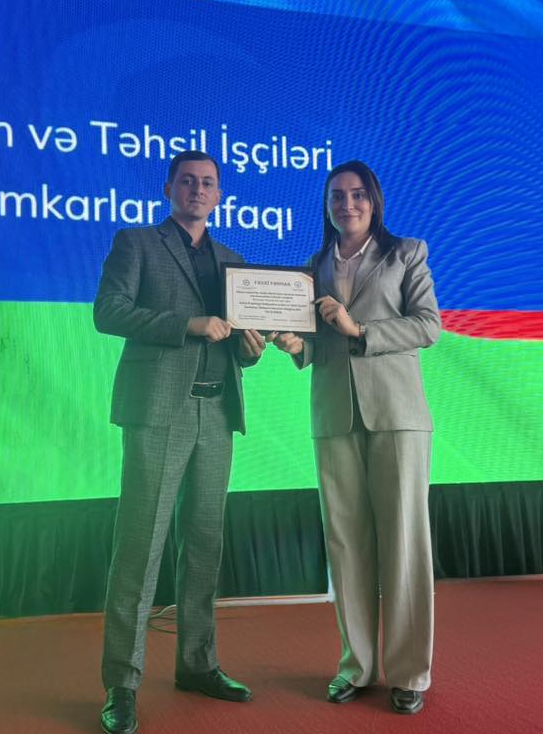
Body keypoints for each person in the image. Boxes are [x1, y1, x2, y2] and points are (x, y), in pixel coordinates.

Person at [94, 150, 266, 734]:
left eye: (208, 183)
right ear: (168, 188)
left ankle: (197, 663)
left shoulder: (233, 262)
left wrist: (250, 348)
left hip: (217, 412)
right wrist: (186, 325)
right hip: (158, 411)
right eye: (187, 181)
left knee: (205, 544)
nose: (197, 189)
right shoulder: (137, 244)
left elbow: (240, 343)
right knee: (140, 545)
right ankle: (122, 683)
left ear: (219, 195)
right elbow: (108, 311)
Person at [273, 160, 440, 716]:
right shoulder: (312, 266)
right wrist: (296, 346)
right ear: (326, 205)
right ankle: (356, 666)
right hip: (333, 414)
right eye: (337, 196)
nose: (347, 204)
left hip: (397, 414)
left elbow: (428, 325)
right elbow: (313, 343)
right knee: (345, 544)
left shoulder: (406, 253)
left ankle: (410, 672)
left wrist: (359, 329)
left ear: (375, 200)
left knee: (404, 542)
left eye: (358, 194)